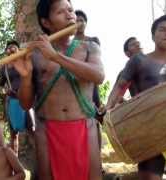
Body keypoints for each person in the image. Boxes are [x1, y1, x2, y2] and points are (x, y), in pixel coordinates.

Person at [12, 0, 105, 179]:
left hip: (85, 126)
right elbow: (25, 104)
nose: (70, 14)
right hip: (47, 130)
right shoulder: (35, 55)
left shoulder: (89, 47)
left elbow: (98, 76)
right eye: (61, 12)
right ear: (46, 22)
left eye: (71, 10)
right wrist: (25, 77)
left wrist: (55, 56)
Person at [106, 14, 166, 180]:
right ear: (153, 35)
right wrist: (108, 107)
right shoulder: (139, 61)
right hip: (148, 132)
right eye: (162, 29)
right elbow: (120, 87)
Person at [0, 40, 28, 155]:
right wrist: (6, 91)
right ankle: (15, 161)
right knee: (13, 133)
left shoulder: (26, 62)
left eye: (13, 47)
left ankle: (37, 160)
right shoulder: (4, 68)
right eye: (8, 48)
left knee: (32, 130)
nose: (10, 50)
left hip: (27, 100)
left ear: (19, 49)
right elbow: (0, 85)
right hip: (12, 100)